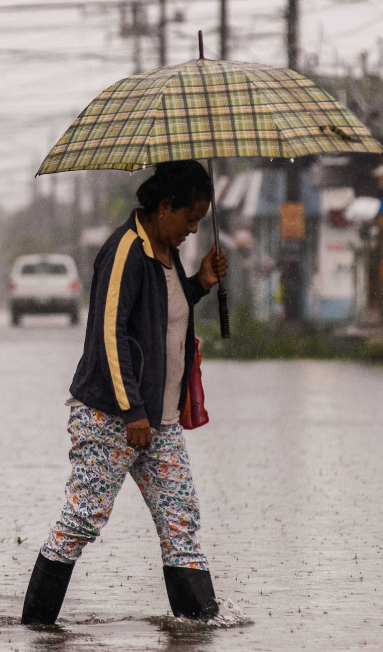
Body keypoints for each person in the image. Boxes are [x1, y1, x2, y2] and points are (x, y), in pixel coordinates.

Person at [21, 160, 228, 624]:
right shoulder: (125, 251)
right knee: (81, 521)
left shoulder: (168, 255)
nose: (193, 231)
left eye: (199, 221)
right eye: (188, 219)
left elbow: (160, 318)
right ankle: (36, 629)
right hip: (109, 417)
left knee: (182, 524)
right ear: (163, 206)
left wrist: (200, 285)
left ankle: (199, 630)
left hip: (161, 421)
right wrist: (132, 411)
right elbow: (109, 334)